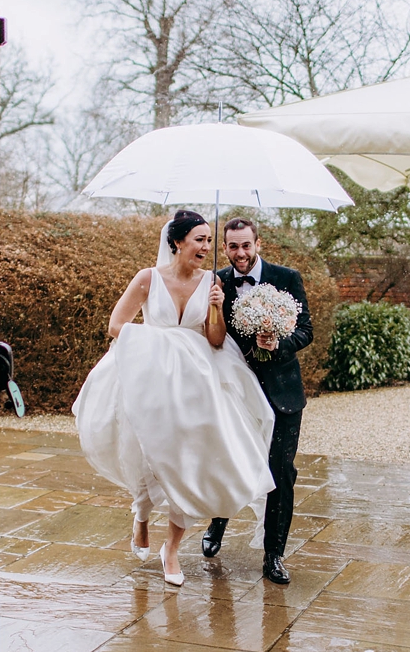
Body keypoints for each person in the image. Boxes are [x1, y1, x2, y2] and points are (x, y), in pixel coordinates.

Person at [72, 210, 276, 587]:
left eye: (209, 240)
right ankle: (142, 512)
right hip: (153, 378)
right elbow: (116, 325)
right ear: (178, 242)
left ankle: (171, 549)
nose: (207, 247)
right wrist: (164, 342)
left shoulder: (212, 281)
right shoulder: (148, 279)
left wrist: (216, 305)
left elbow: (215, 340)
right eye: (200, 239)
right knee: (150, 453)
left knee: (189, 459)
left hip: (199, 383)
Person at [202, 217, 312, 585]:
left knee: (281, 473)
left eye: (246, 245)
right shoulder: (216, 282)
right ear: (225, 248)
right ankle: (218, 524)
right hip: (237, 390)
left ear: (258, 243)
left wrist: (278, 343)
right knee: (231, 462)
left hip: (283, 392)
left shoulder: (287, 278)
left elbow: (306, 330)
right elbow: (213, 338)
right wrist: (215, 306)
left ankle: (274, 556)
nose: (240, 253)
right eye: (233, 246)